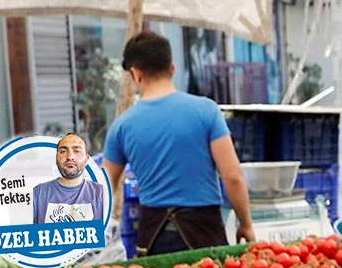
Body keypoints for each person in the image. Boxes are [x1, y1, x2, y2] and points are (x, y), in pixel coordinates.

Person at [102, 31, 255, 254]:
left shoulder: (122, 126)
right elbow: (232, 177)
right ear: (172, 69)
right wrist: (246, 223)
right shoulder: (207, 111)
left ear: (136, 74)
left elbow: (102, 187)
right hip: (205, 234)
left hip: (154, 240)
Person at [32, 133, 105, 224]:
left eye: (77, 151)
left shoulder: (101, 194)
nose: (70, 157)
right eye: (63, 151)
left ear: (87, 159)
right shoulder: (38, 193)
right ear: (56, 158)